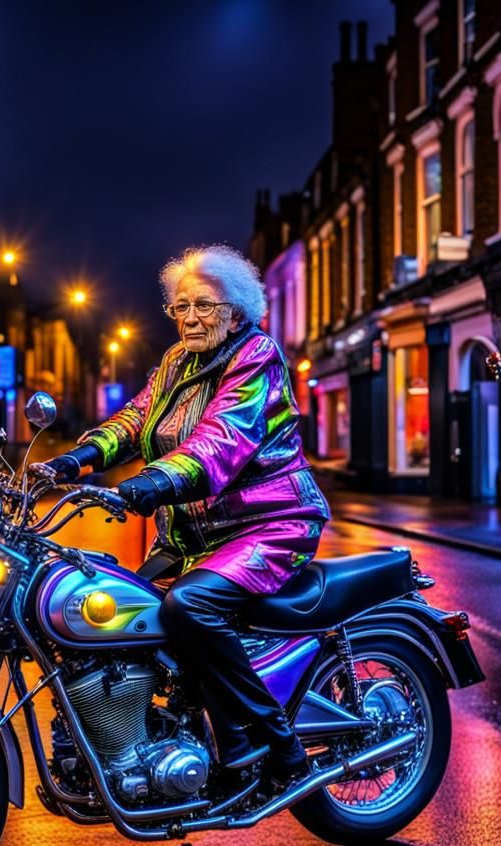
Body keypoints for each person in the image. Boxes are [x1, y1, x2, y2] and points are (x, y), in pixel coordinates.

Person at [40, 244, 330, 781]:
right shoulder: (176, 362)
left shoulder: (256, 356)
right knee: (109, 607)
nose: (190, 317)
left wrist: (152, 483)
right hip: (193, 537)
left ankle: (273, 745)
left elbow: (223, 441)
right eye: (180, 306)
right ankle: (148, 730)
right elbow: (134, 420)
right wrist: (74, 460)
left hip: (269, 525)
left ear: (236, 310)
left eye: (204, 305)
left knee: (189, 606)